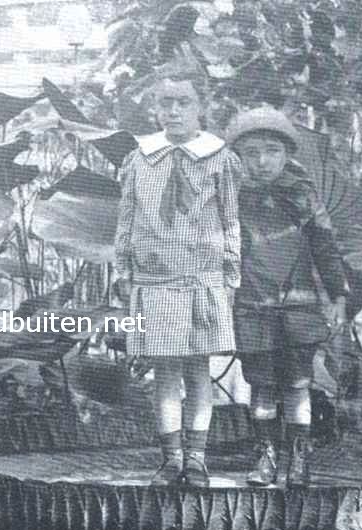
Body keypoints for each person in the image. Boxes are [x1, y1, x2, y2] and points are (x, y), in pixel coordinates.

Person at [113, 67, 243, 487]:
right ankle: (171, 459)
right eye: (164, 103)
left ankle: (198, 459)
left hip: (201, 278)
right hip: (155, 280)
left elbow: (230, 220)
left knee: (198, 370)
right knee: (165, 372)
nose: (173, 111)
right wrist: (124, 269)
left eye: (183, 102)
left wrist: (231, 274)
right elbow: (127, 219)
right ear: (154, 108)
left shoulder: (220, 159)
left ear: (201, 106)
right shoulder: (139, 158)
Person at [224, 106, 350, 488]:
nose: (262, 161)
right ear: (240, 157)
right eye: (252, 153)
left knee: (297, 384)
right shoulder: (231, 196)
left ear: (286, 153)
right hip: (252, 304)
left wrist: (338, 296)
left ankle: (299, 458)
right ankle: (265, 456)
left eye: (272, 151)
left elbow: (325, 247)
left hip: (298, 305)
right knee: (260, 384)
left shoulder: (302, 194)